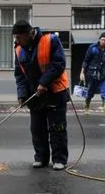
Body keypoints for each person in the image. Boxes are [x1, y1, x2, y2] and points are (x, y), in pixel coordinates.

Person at [12, 20, 69, 171]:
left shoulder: (50, 40)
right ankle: (41, 158)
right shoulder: (18, 49)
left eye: (19, 37)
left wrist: (44, 82)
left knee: (57, 128)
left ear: (29, 34)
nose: (16, 40)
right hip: (35, 94)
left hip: (55, 91)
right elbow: (20, 75)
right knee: (37, 129)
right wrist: (22, 95)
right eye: (15, 37)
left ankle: (59, 159)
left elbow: (59, 63)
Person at [79, 32, 105, 117]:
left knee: (104, 92)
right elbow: (86, 60)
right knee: (90, 93)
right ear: (99, 39)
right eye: (102, 39)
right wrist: (82, 73)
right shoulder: (93, 48)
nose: (103, 41)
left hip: (104, 75)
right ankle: (87, 106)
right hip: (93, 75)